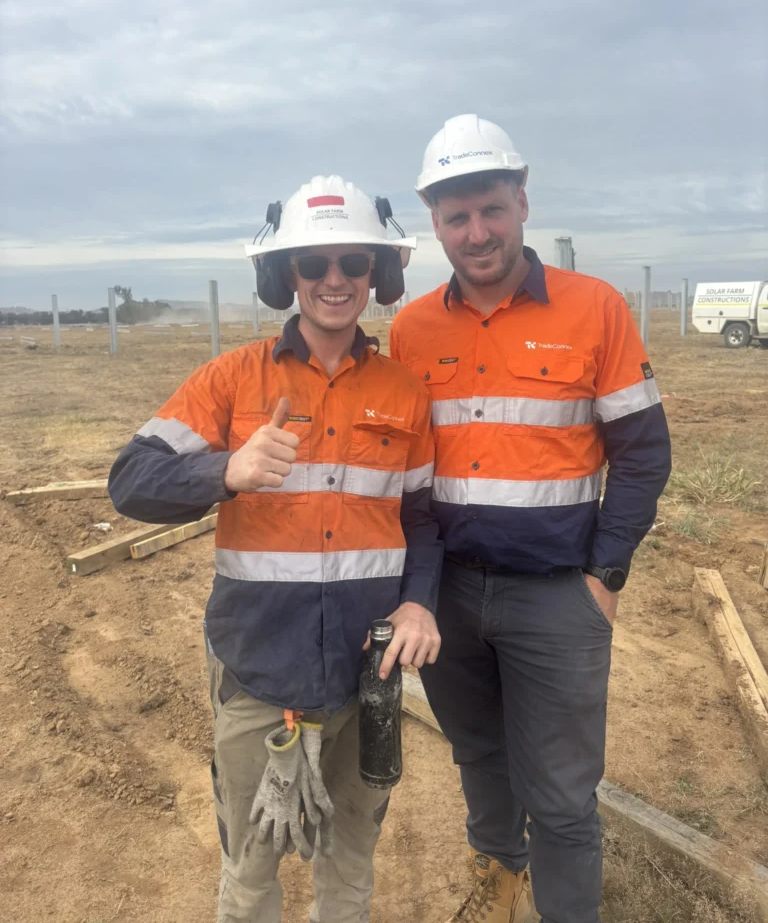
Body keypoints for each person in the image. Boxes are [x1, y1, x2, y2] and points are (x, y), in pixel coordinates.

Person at [108, 175, 443, 923]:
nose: (333, 280)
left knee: (350, 870)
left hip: (369, 674)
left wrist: (420, 598)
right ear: (284, 275)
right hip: (260, 671)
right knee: (252, 875)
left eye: (352, 263)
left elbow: (421, 518)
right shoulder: (231, 379)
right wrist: (224, 470)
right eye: (312, 264)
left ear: (376, 275)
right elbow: (130, 481)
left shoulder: (405, 392)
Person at [389, 115, 672, 923]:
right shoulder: (413, 329)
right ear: (434, 222)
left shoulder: (596, 309)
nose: (476, 233)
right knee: (479, 756)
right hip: (449, 599)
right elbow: (405, 475)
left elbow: (644, 454)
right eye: (456, 217)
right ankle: (500, 882)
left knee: (560, 793)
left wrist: (605, 577)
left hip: (557, 599)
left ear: (521, 201)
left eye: (491, 209)